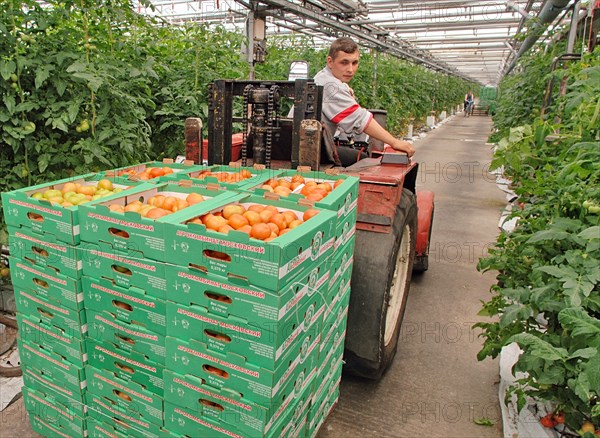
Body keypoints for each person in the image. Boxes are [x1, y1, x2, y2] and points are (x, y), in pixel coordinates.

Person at [314, 37, 415, 167]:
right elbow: (360, 120)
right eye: (344, 63)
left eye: (354, 63)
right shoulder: (330, 85)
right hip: (314, 150)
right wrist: (394, 142)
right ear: (330, 61)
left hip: (310, 144)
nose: (350, 69)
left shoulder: (323, 77)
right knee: (362, 158)